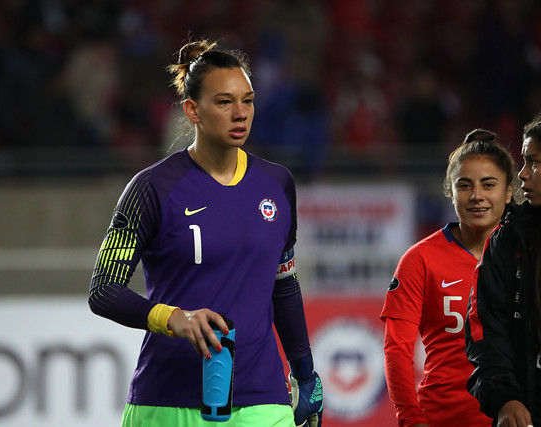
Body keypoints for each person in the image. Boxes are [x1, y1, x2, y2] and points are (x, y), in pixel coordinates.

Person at [88, 39, 323, 427]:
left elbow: (283, 284)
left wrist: (306, 375)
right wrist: (173, 317)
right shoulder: (152, 189)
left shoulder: (277, 185)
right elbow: (102, 290)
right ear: (192, 110)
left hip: (263, 402)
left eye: (247, 101)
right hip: (167, 402)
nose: (240, 113)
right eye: (224, 102)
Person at [381, 128, 519, 427]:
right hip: (441, 418)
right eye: (465, 185)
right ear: (450, 191)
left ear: (508, 191)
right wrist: (410, 418)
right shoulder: (419, 259)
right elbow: (397, 349)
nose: (477, 196)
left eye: (489, 184)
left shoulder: (528, 255)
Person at [466, 113, 541, 426]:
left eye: (533, 162)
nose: (522, 174)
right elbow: (487, 328)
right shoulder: (508, 240)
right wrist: (505, 398)